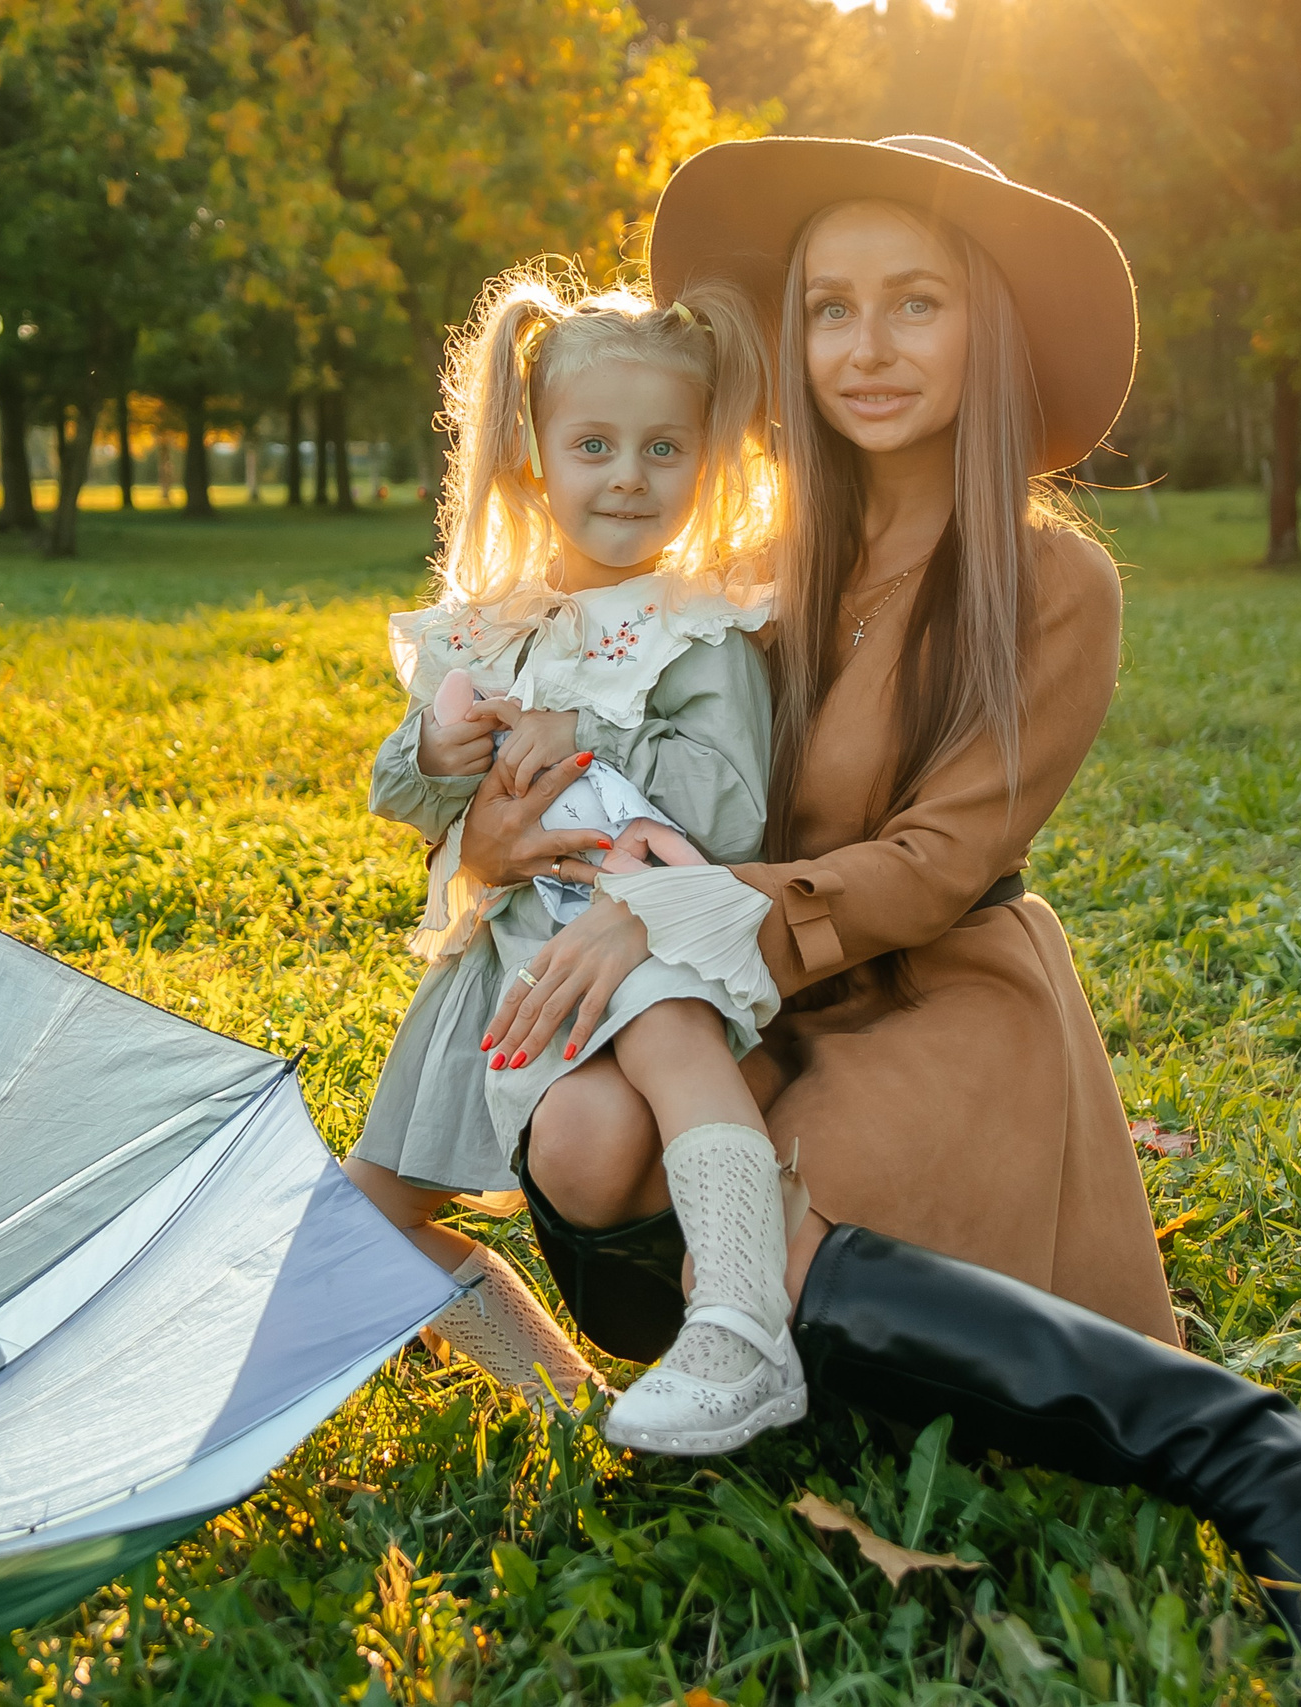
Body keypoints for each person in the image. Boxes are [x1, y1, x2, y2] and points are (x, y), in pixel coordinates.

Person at [459, 136, 1301, 1660]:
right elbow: (615, 762)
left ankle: (1264, 1459)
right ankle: (802, 1365)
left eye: (915, 302)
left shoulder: (1050, 583)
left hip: (933, 991)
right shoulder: (743, 567)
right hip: (734, 1000)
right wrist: (504, 826)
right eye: (830, 308)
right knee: (584, 1148)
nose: (867, 347)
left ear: (988, 328)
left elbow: (932, 865)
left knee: (768, 1232)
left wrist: (684, 910)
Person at [348, 268, 803, 1443]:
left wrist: (590, 728)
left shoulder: (699, 624)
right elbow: (405, 799)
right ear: (532, 457)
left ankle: (742, 1320)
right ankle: (563, 1407)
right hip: (498, 968)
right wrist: (435, 748)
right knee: (366, 1207)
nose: (628, 476)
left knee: (671, 1036)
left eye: (664, 448)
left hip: (640, 926)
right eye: (593, 445)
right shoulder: (496, 623)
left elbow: (731, 806)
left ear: (707, 460)